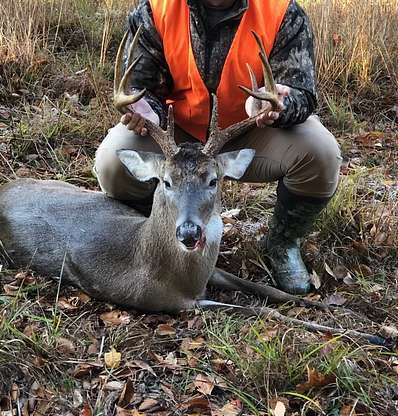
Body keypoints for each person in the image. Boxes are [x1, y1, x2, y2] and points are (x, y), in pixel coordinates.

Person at [94, 0, 342, 294]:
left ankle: (282, 243)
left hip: (249, 130)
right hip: (176, 138)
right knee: (113, 160)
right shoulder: (156, 10)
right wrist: (146, 109)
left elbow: (303, 94)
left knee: (320, 152)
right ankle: (152, 233)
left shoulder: (282, 13)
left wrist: (278, 104)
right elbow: (140, 85)